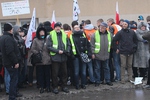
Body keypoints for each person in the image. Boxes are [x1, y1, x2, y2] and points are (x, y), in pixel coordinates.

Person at [47, 22, 71, 94]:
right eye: (56, 27)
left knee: (64, 73)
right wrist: (57, 51)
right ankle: (55, 87)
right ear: (54, 28)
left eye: (59, 27)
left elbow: (68, 44)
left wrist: (67, 50)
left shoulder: (64, 34)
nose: (58, 28)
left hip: (63, 57)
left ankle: (64, 86)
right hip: (55, 57)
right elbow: (49, 46)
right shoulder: (51, 35)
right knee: (55, 73)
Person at [0, 23, 22, 100]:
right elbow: (10, 51)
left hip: (7, 62)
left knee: (12, 78)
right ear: (10, 30)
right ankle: (12, 96)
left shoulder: (3, 37)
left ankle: (14, 93)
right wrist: (15, 62)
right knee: (13, 80)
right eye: (12, 28)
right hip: (11, 63)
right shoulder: (8, 38)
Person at [113, 20, 138, 84]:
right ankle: (122, 79)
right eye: (123, 24)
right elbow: (114, 40)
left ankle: (130, 78)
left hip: (130, 51)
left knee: (129, 65)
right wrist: (116, 48)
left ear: (128, 25)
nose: (124, 25)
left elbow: (135, 41)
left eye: (125, 24)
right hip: (123, 52)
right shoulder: (120, 33)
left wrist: (134, 48)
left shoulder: (132, 32)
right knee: (123, 65)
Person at [70, 24, 92, 89]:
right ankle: (77, 84)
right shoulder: (72, 36)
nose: (77, 28)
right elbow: (70, 46)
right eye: (75, 27)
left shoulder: (83, 35)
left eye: (78, 27)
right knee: (76, 71)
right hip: (76, 56)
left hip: (83, 55)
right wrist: (72, 55)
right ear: (73, 29)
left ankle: (83, 84)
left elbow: (88, 45)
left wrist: (89, 53)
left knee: (83, 71)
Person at [91, 22, 113, 86]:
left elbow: (111, 43)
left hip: (106, 54)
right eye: (100, 27)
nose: (101, 29)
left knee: (106, 68)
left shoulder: (109, 34)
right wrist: (93, 53)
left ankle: (107, 80)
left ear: (106, 28)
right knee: (97, 68)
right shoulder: (94, 35)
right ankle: (98, 81)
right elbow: (92, 45)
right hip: (97, 54)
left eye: (103, 27)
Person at [30, 25, 51, 93]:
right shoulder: (36, 40)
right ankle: (41, 87)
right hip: (39, 60)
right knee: (40, 75)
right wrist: (38, 53)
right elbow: (32, 49)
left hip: (47, 59)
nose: (42, 33)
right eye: (41, 32)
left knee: (47, 74)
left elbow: (50, 47)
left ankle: (48, 86)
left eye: (43, 32)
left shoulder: (47, 39)